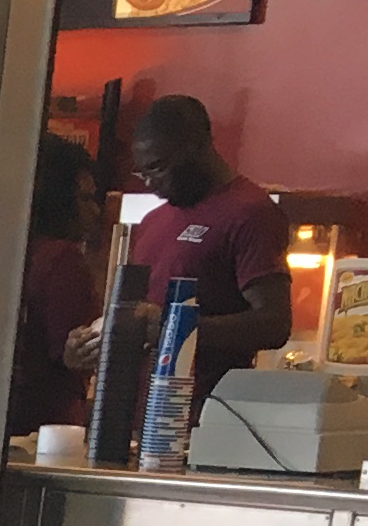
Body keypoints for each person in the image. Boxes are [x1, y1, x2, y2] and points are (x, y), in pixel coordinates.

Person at [66, 94, 288, 406]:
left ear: (197, 147)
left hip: (205, 415)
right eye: (141, 173)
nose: (148, 184)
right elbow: (144, 320)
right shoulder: (154, 220)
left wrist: (178, 327)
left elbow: (274, 324)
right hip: (136, 414)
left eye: (157, 168)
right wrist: (90, 346)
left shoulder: (249, 213)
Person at [10, 133, 105, 440]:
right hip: (47, 432)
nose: (96, 212)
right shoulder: (61, 259)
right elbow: (76, 353)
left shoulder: (3, 252)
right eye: (86, 199)